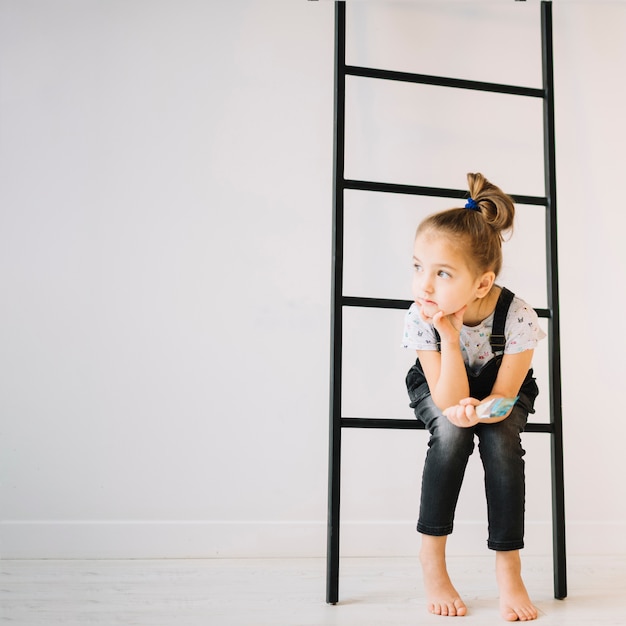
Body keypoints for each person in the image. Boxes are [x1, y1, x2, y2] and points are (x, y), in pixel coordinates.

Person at [402, 173, 545, 621]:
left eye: (442, 273)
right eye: (417, 267)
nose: (425, 285)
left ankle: (508, 566)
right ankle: (432, 561)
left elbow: (506, 391)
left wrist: (485, 408)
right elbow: (447, 400)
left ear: (481, 284)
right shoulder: (423, 317)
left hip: (499, 391)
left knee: (501, 439)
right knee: (451, 434)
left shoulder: (517, 315)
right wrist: (446, 335)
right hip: (442, 386)